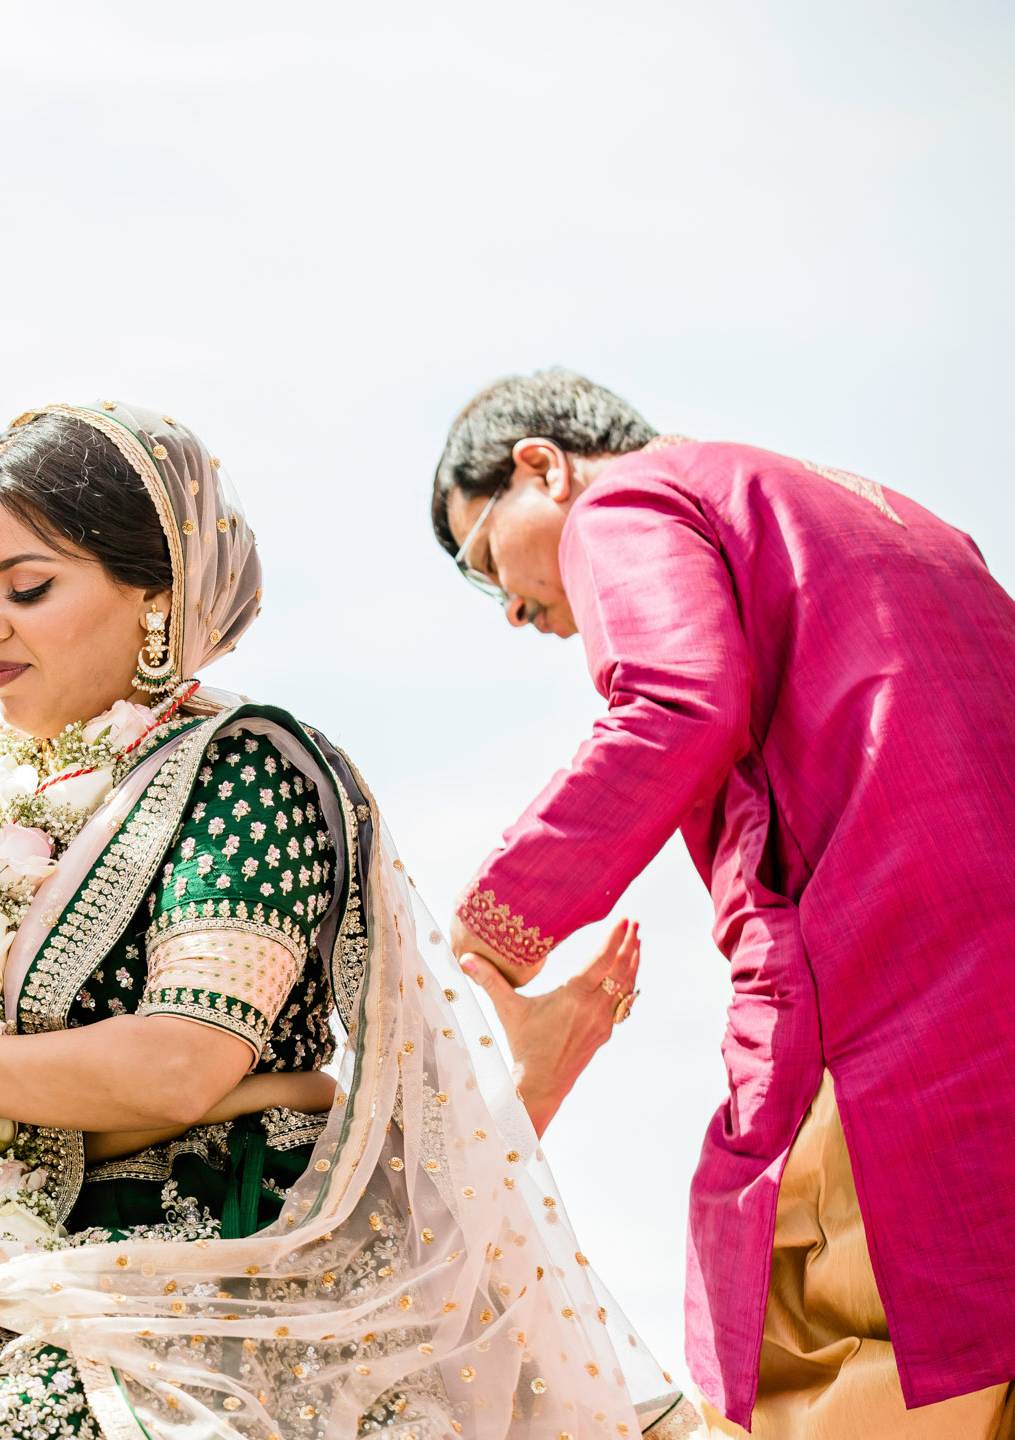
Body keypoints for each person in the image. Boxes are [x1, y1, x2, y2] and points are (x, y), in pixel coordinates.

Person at [0, 402, 700, 1438]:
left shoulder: (242, 769)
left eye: (27, 587)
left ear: (157, 593)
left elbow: (184, 1061)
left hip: (210, 1260)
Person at [429, 370, 1015, 1438]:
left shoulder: (630, 501)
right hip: (983, 1000)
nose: (512, 610)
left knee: (810, 1348)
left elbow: (673, 707)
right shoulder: (901, 516)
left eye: (481, 566)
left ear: (541, 467)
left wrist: (485, 937)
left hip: (892, 998)